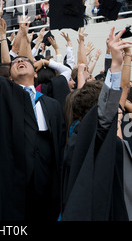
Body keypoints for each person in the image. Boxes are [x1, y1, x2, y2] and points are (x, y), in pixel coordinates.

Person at [0, 0, 65, 221]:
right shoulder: (4, 92)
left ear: (36, 72)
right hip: (12, 178)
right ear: (9, 75)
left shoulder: (52, 104)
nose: (20, 61)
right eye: (16, 61)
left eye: (26, 61)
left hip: (46, 180)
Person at [60, 26, 132, 220]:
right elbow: (104, 114)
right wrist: (116, 65)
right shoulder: (87, 136)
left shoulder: (81, 136)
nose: (119, 109)